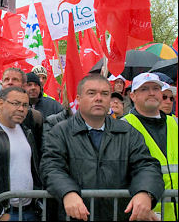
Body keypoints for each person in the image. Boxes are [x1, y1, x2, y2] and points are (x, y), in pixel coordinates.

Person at [40, 74, 164, 221]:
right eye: (91, 93)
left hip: (118, 215)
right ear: (78, 99)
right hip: (75, 217)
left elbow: (146, 165)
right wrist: (67, 192)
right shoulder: (60, 132)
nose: (99, 98)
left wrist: (145, 192)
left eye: (105, 94)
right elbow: (51, 167)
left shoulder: (128, 132)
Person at [0, 87, 42, 221]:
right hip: (5, 211)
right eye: (16, 103)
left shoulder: (26, 131)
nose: (21, 109)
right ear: (0, 103)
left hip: (29, 210)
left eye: (25, 105)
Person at [123, 73, 178, 221]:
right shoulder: (122, 126)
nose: (152, 92)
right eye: (144, 89)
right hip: (145, 214)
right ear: (133, 96)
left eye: (156, 88)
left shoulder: (175, 124)